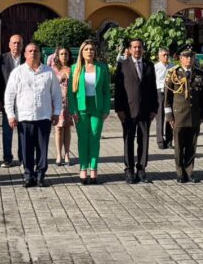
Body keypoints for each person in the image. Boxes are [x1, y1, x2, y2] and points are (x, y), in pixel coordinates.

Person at [4, 43, 62, 188]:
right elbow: (9, 96)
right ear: (25, 54)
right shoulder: (17, 72)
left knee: (42, 149)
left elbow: (56, 94)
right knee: (26, 149)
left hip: (44, 116)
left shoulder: (49, 72)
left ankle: (41, 175)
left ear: (40, 54)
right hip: (25, 117)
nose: (33, 53)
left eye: (35, 51)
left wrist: (56, 113)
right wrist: (11, 115)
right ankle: (28, 176)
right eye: (30, 51)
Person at [115, 38, 158, 184]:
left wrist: (154, 108)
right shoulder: (122, 65)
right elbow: (119, 89)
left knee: (144, 140)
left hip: (146, 110)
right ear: (130, 49)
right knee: (128, 140)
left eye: (139, 47)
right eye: (134, 47)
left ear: (143, 49)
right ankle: (129, 170)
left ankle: (141, 169)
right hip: (128, 110)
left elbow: (153, 88)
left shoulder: (149, 65)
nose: (137, 50)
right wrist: (119, 109)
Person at [68, 40, 111, 185]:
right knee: (83, 139)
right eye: (86, 49)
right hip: (81, 108)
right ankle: (83, 168)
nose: (89, 52)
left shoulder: (102, 68)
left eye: (92, 49)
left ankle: (93, 169)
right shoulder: (75, 68)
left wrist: (106, 109)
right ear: (82, 52)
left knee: (95, 138)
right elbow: (71, 93)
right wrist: (73, 110)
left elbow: (106, 91)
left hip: (97, 108)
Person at [164, 45, 203, 183]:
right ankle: (180, 172)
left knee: (192, 145)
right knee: (179, 146)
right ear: (181, 58)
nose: (189, 59)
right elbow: (167, 98)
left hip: (194, 115)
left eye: (191, 56)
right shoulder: (173, 73)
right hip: (179, 115)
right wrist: (169, 116)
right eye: (186, 56)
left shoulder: (199, 73)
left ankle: (190, 171)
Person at [0, 35, 25, 168]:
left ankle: (23, 158)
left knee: (23, 131)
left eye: (19, 43)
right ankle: (7, 158)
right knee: (7, 131)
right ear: (9, 45)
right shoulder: (2, 59)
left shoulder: (26, 58)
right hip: (8, 101)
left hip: (24, 102)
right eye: (14, 43)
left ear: (22, 45)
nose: (16, 45)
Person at [51, 46, 73, 166]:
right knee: (58, 128)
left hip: (69, 102)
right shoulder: (53, 69)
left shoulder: (72, 69)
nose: (64, 56)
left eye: (66, 54)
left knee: (67, 128)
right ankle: (59, 154)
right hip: (57, 102)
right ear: (57, 56)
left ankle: (67, 154)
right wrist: (61, 78)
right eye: (62, 54)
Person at [154, 48, 174, 150]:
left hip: (170, 93)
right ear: (159, 56)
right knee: (160, 116)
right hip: (160, 92)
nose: (166, 57)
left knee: (170, 116)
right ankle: (160, 140)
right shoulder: (156, 67)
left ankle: (169, 140)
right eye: (164, 55)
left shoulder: (172, 66)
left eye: (167, 55)